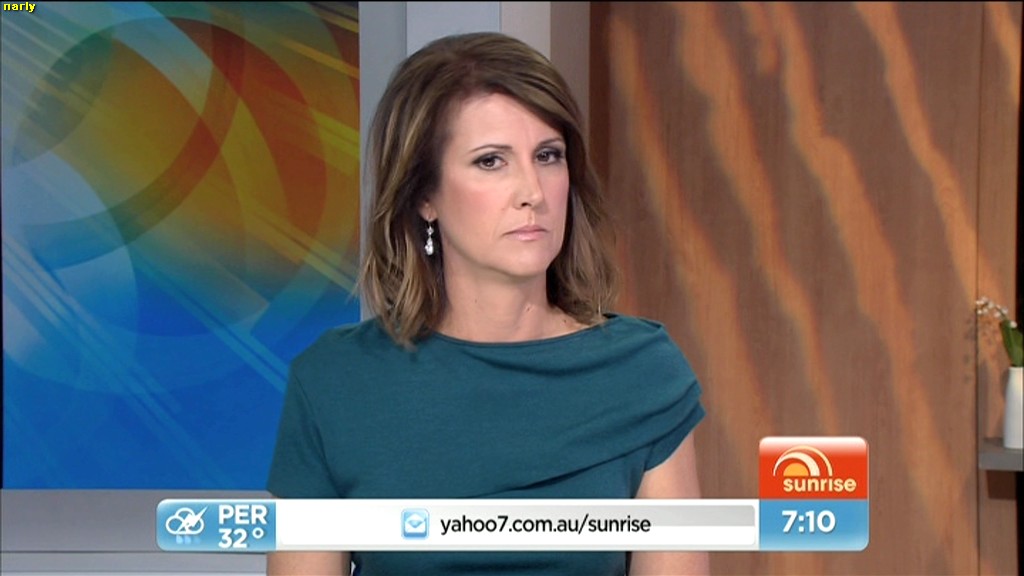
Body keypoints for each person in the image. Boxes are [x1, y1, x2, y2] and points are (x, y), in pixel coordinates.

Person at [266, 31, 708, 576]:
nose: (533, 192)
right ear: (424, 196)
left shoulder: (643, 374)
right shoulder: (335, 382)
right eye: (491, 161)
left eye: (548, 156)